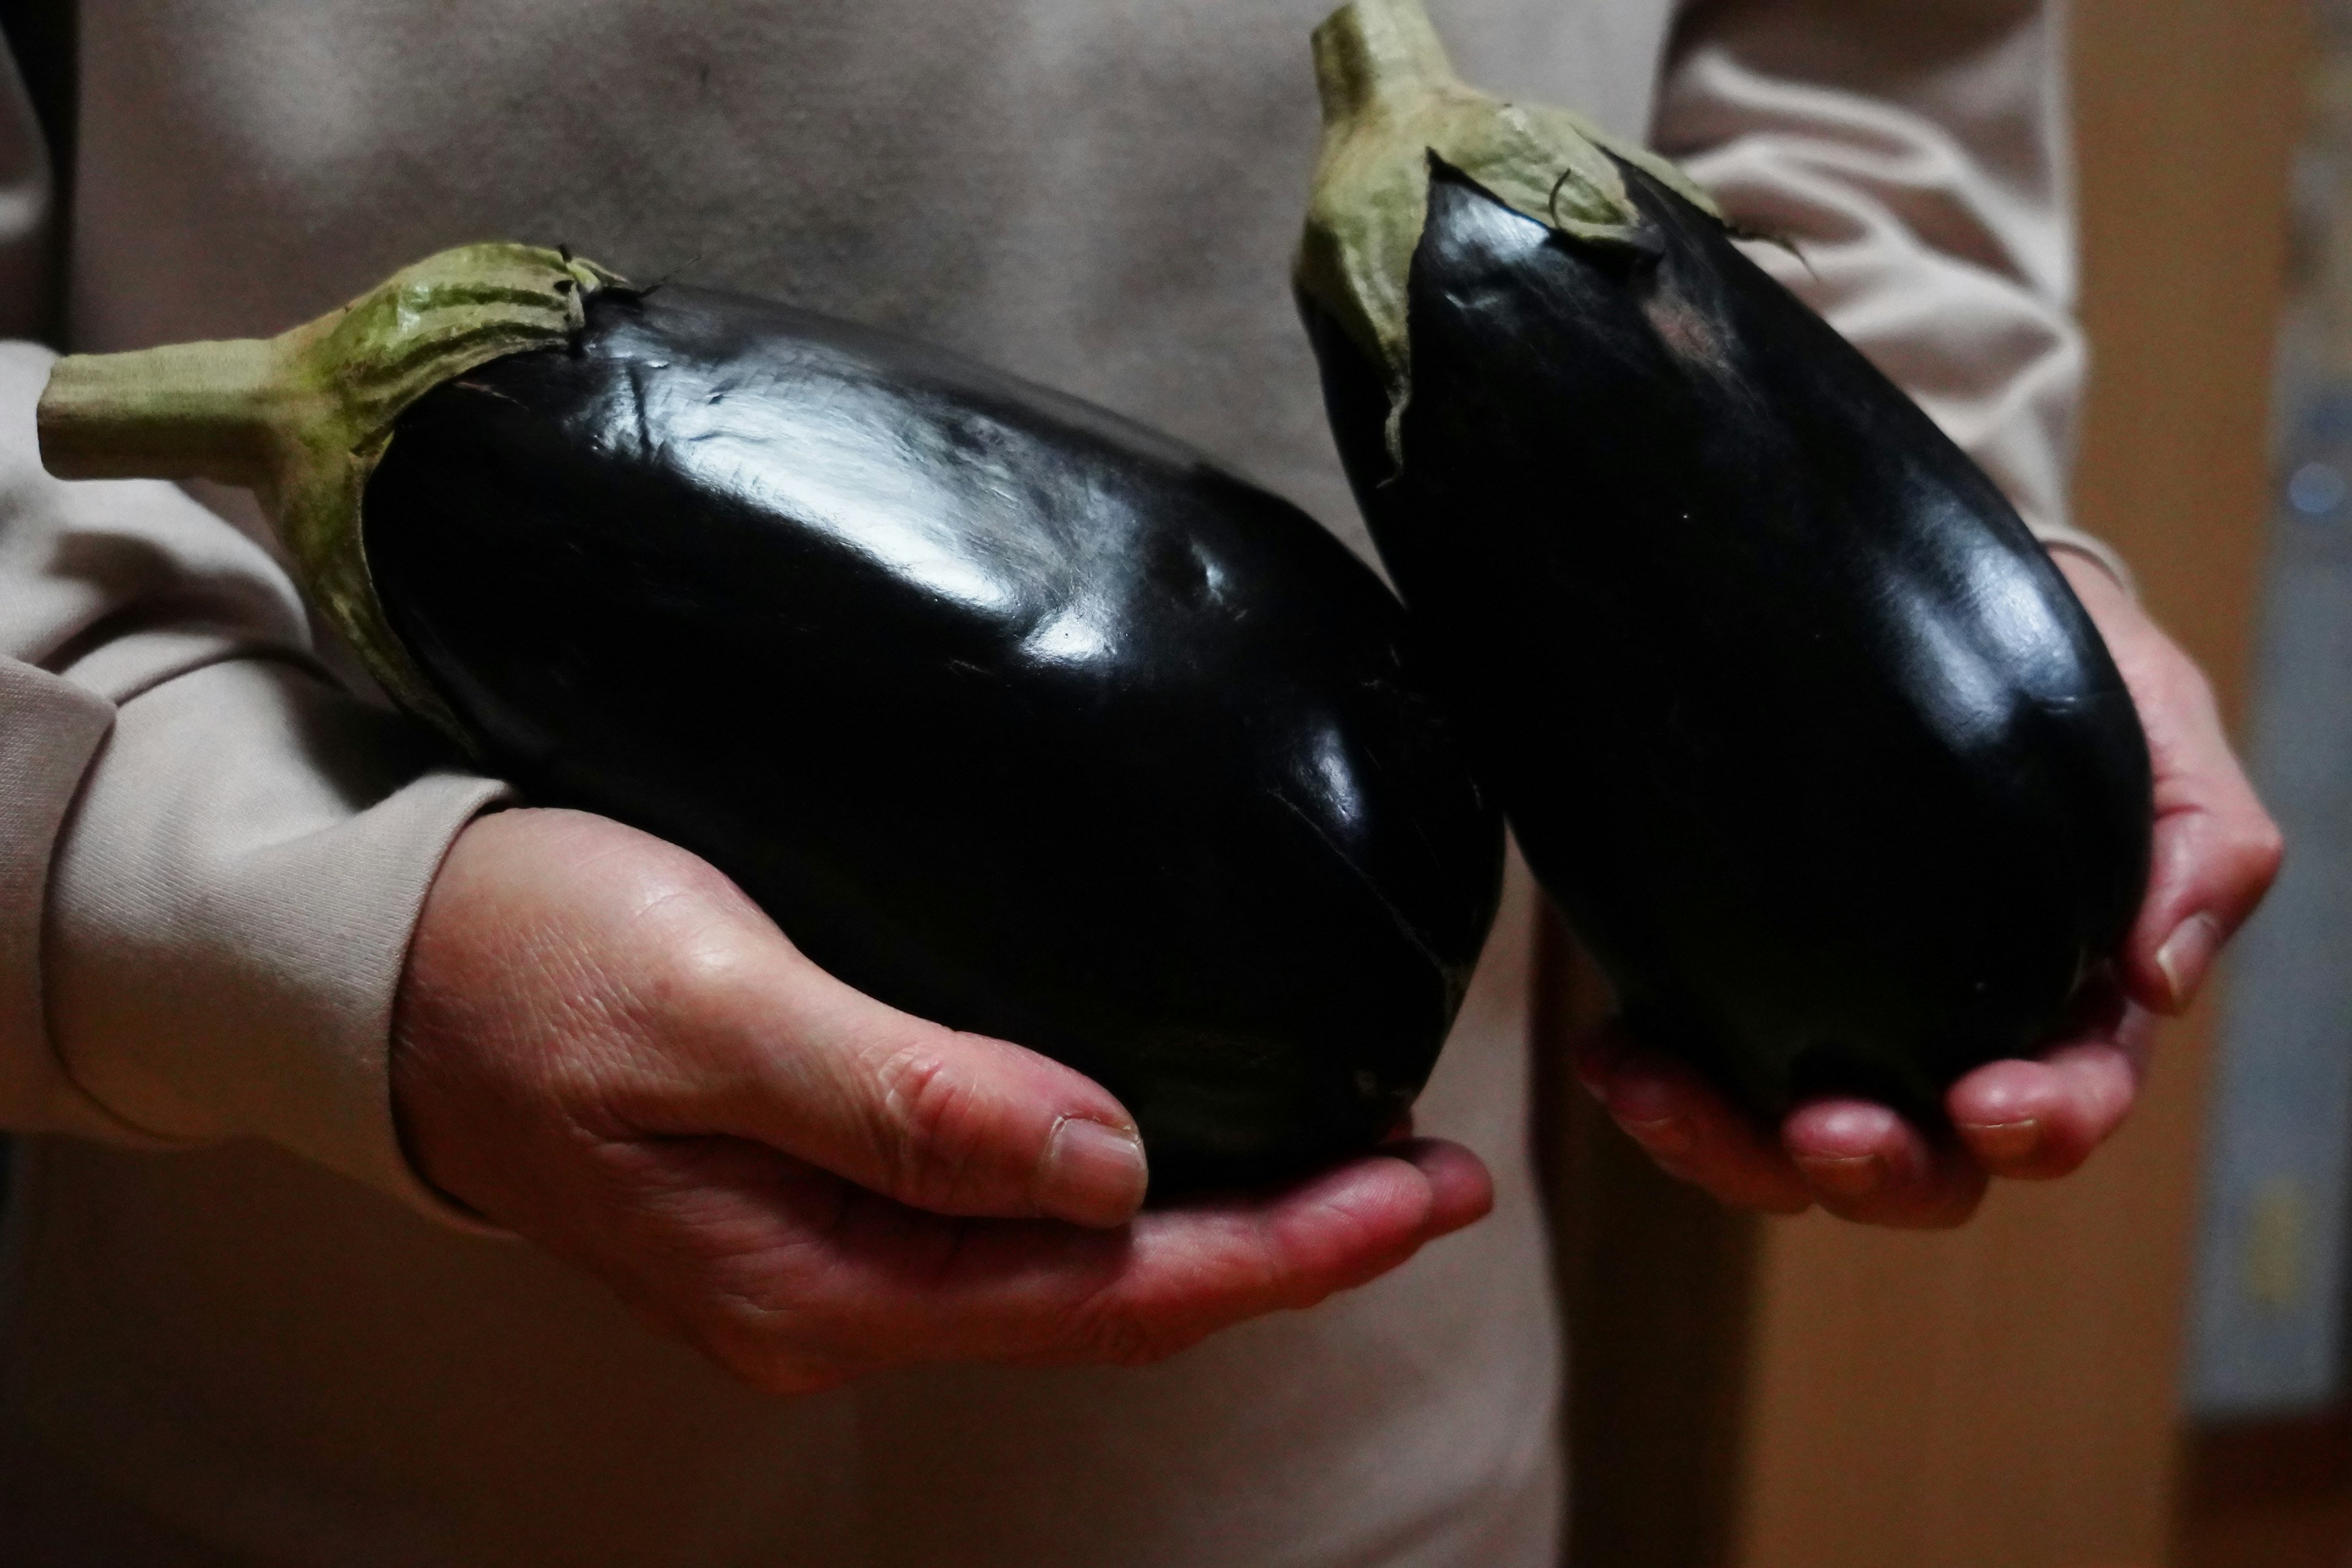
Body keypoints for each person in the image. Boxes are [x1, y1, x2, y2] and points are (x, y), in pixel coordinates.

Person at [0, 1, 2282, 1562]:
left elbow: (1863, 77)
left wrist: (1898, 547)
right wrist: (220, 891)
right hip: (307, 1438)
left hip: (1366, 1448)